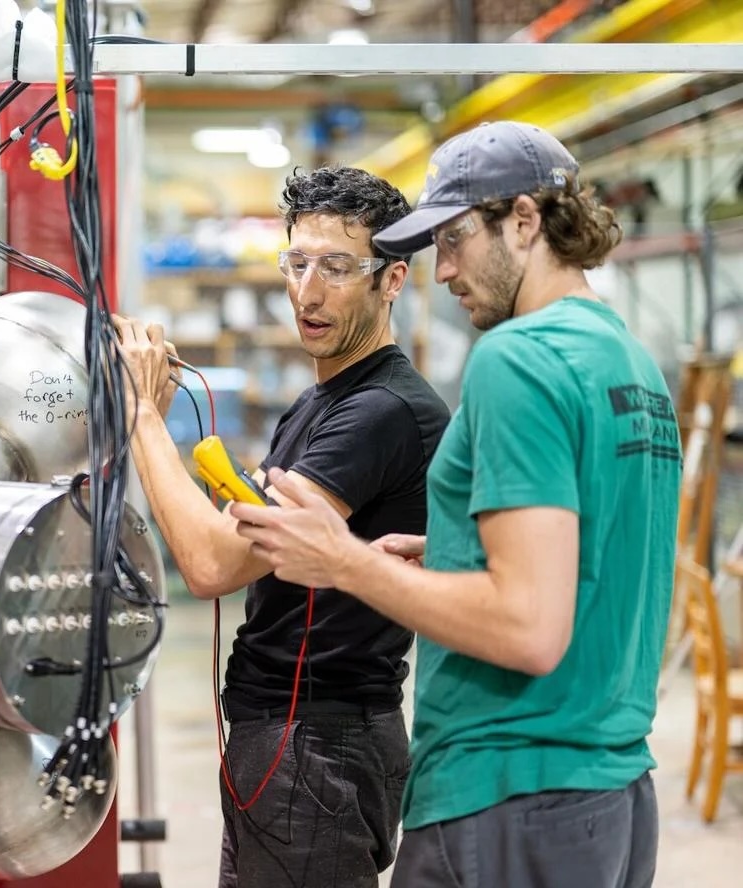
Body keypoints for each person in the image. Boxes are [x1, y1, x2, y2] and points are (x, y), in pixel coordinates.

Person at [232, 121, 680, 888]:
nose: (439, 272)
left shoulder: (516, 357)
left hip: (506, 790)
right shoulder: (624, 359)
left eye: (453, 240)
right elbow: (583, 568)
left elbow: (527, 628)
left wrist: (343, 563)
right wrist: (447, 559)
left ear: (524, 221)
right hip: (609, 792)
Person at [113, 165, 450, 888]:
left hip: (317, 742)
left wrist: (141, 415)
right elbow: (239, 539)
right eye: (296, 263)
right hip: (289, 736)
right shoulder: (321, 401)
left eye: (336, 267)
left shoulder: (378, 413)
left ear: (391, 281)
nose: (308, 290)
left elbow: (209, 566)